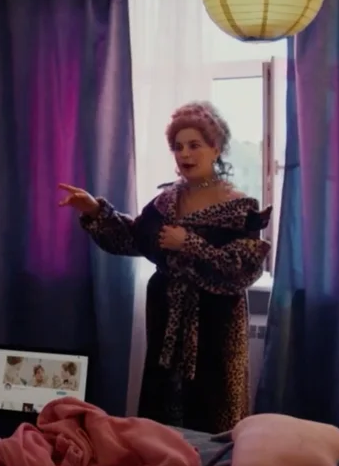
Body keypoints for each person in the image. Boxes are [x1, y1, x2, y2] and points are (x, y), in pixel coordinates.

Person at [60, 101, 269, 433]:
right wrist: (95, 211)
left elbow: (243, 270)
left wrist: (190, 243)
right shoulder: (165, 202)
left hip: (215, 327)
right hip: (166, 321)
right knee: (162, 418)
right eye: (178, 146)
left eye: (194, 145)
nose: (185, 154)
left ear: (215, 148)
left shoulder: (239, 208)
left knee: (214, 415)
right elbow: (133, 239)